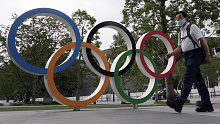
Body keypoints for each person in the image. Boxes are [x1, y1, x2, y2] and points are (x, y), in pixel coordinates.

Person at [165, 11, 214, 113]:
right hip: (187, 56)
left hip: (195, 54)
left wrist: (208, 55)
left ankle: (179, 103)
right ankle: (207, 105)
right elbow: (180, 48)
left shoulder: (192, 27)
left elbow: (202, 40)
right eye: (176, 18)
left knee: (187, 79)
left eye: (179, 17)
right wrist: (171, 54)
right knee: (199, 82)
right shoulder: (180, 33)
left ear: (186, 18)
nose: (178, 20)